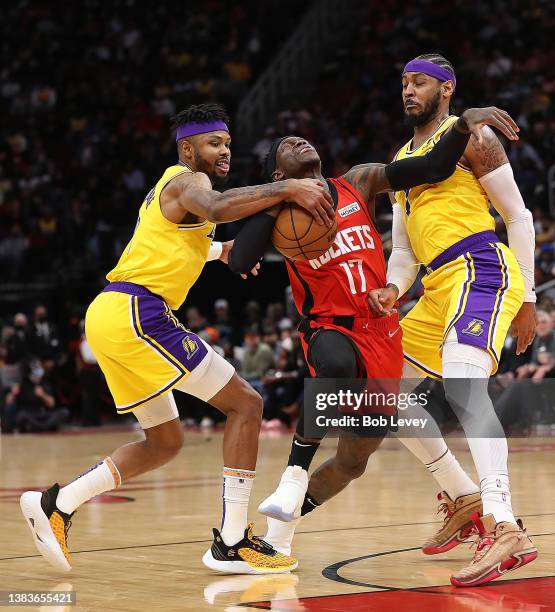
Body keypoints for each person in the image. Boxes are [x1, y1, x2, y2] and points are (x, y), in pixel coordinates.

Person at [19, 102, 335, 576]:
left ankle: (57, 502)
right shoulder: (192, 182)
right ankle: (231, 542)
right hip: (138, 313)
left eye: (228, 143)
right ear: (188, 149)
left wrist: (221, 249)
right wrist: (286, 187)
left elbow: (169, 242)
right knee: (246, 405)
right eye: (214, 143)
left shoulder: (170, 191)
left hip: (114, 313)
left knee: (164, 442)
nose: (225, 151)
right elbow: (216, 207)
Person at [227, 107, 519, 563]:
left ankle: (462, 496)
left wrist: (462, 126)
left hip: (382, 333)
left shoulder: (357, 181)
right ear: (278, 171)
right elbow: (241, 260)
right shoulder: (282, 218)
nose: (300, 140)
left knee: (352, 461)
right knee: (337, 367)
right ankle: (284, 502)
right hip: (332, 330)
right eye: (287, 145)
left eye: (302, 138)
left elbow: (431, 167)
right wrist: (277, 196)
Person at [366, 54, 538, 586]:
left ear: (446, 90)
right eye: (403, 83)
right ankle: (464, 497)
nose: (408, 91)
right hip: (436, 286)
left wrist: (529, 296)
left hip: (480, 266)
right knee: (378, 395)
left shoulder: (472, 138)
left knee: (465, 388)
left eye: (418, 82)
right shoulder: (400, 161)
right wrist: (394, 289)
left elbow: (517, 215)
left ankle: (505, 526)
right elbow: (403, 250)